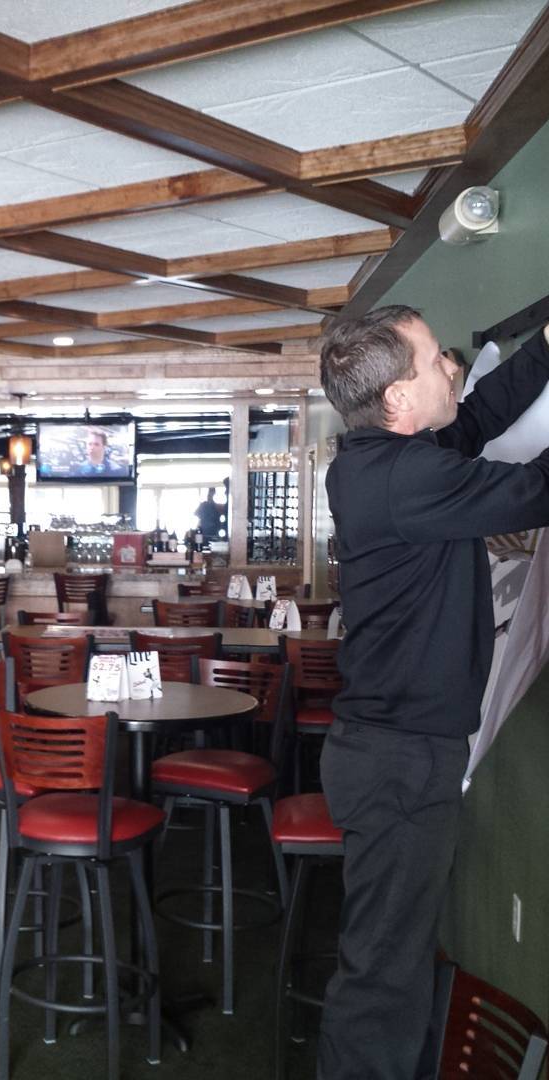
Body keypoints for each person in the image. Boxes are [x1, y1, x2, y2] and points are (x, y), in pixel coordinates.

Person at [317, 304, 549, 1080]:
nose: (452, 364)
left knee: (397, 959)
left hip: (391, 751)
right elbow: (534, 493)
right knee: (382, 975)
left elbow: (480, 414)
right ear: (398, 401)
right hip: (398, 762)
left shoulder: (378, 460)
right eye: (435, 361)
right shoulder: (406, 477)